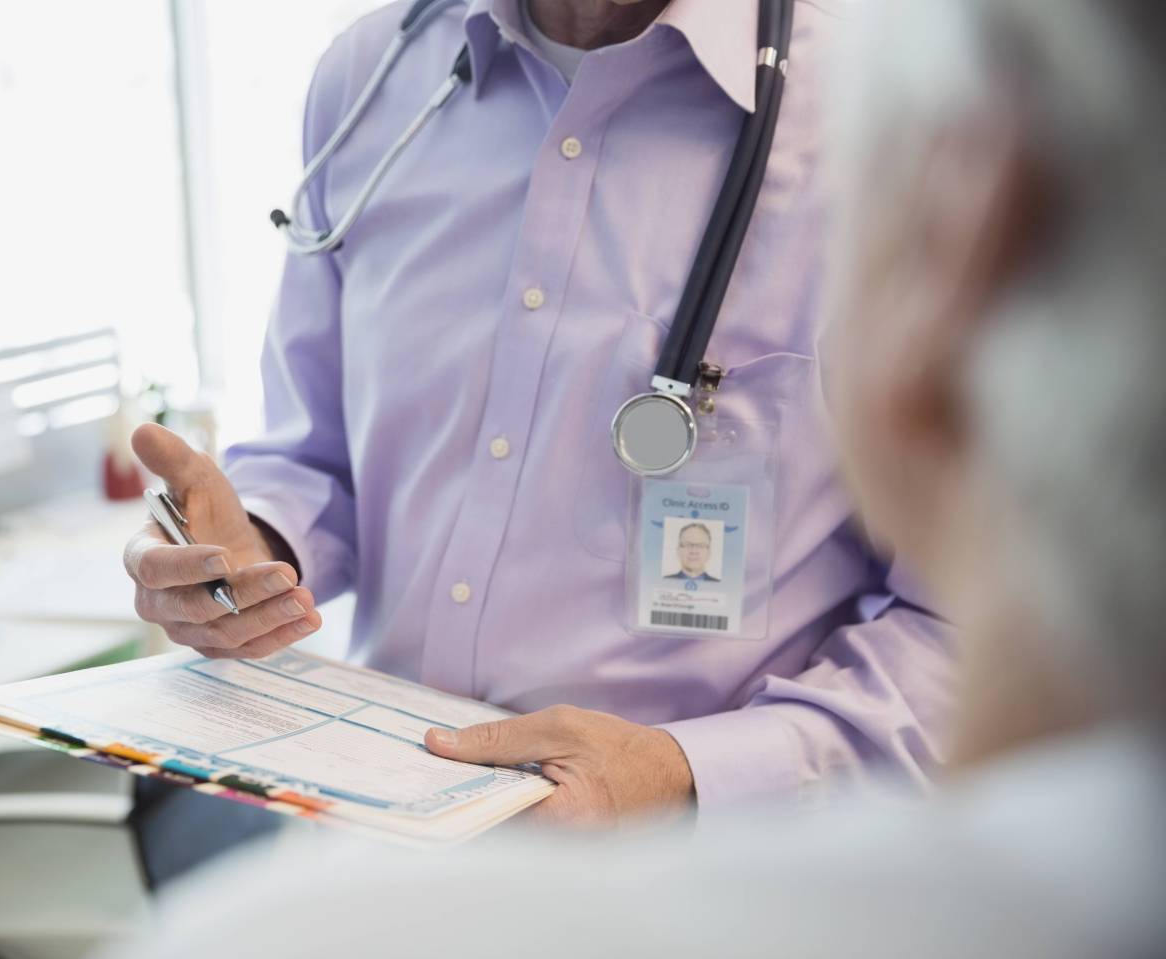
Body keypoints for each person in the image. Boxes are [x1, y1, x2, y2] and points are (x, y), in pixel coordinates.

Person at [115, 0, 1166, 954]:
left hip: (746, 901)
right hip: (378, 859)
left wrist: (686, 772)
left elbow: (983, 616)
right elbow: (309, 452)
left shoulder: (904, 110)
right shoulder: (369, 77)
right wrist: (253, 548)